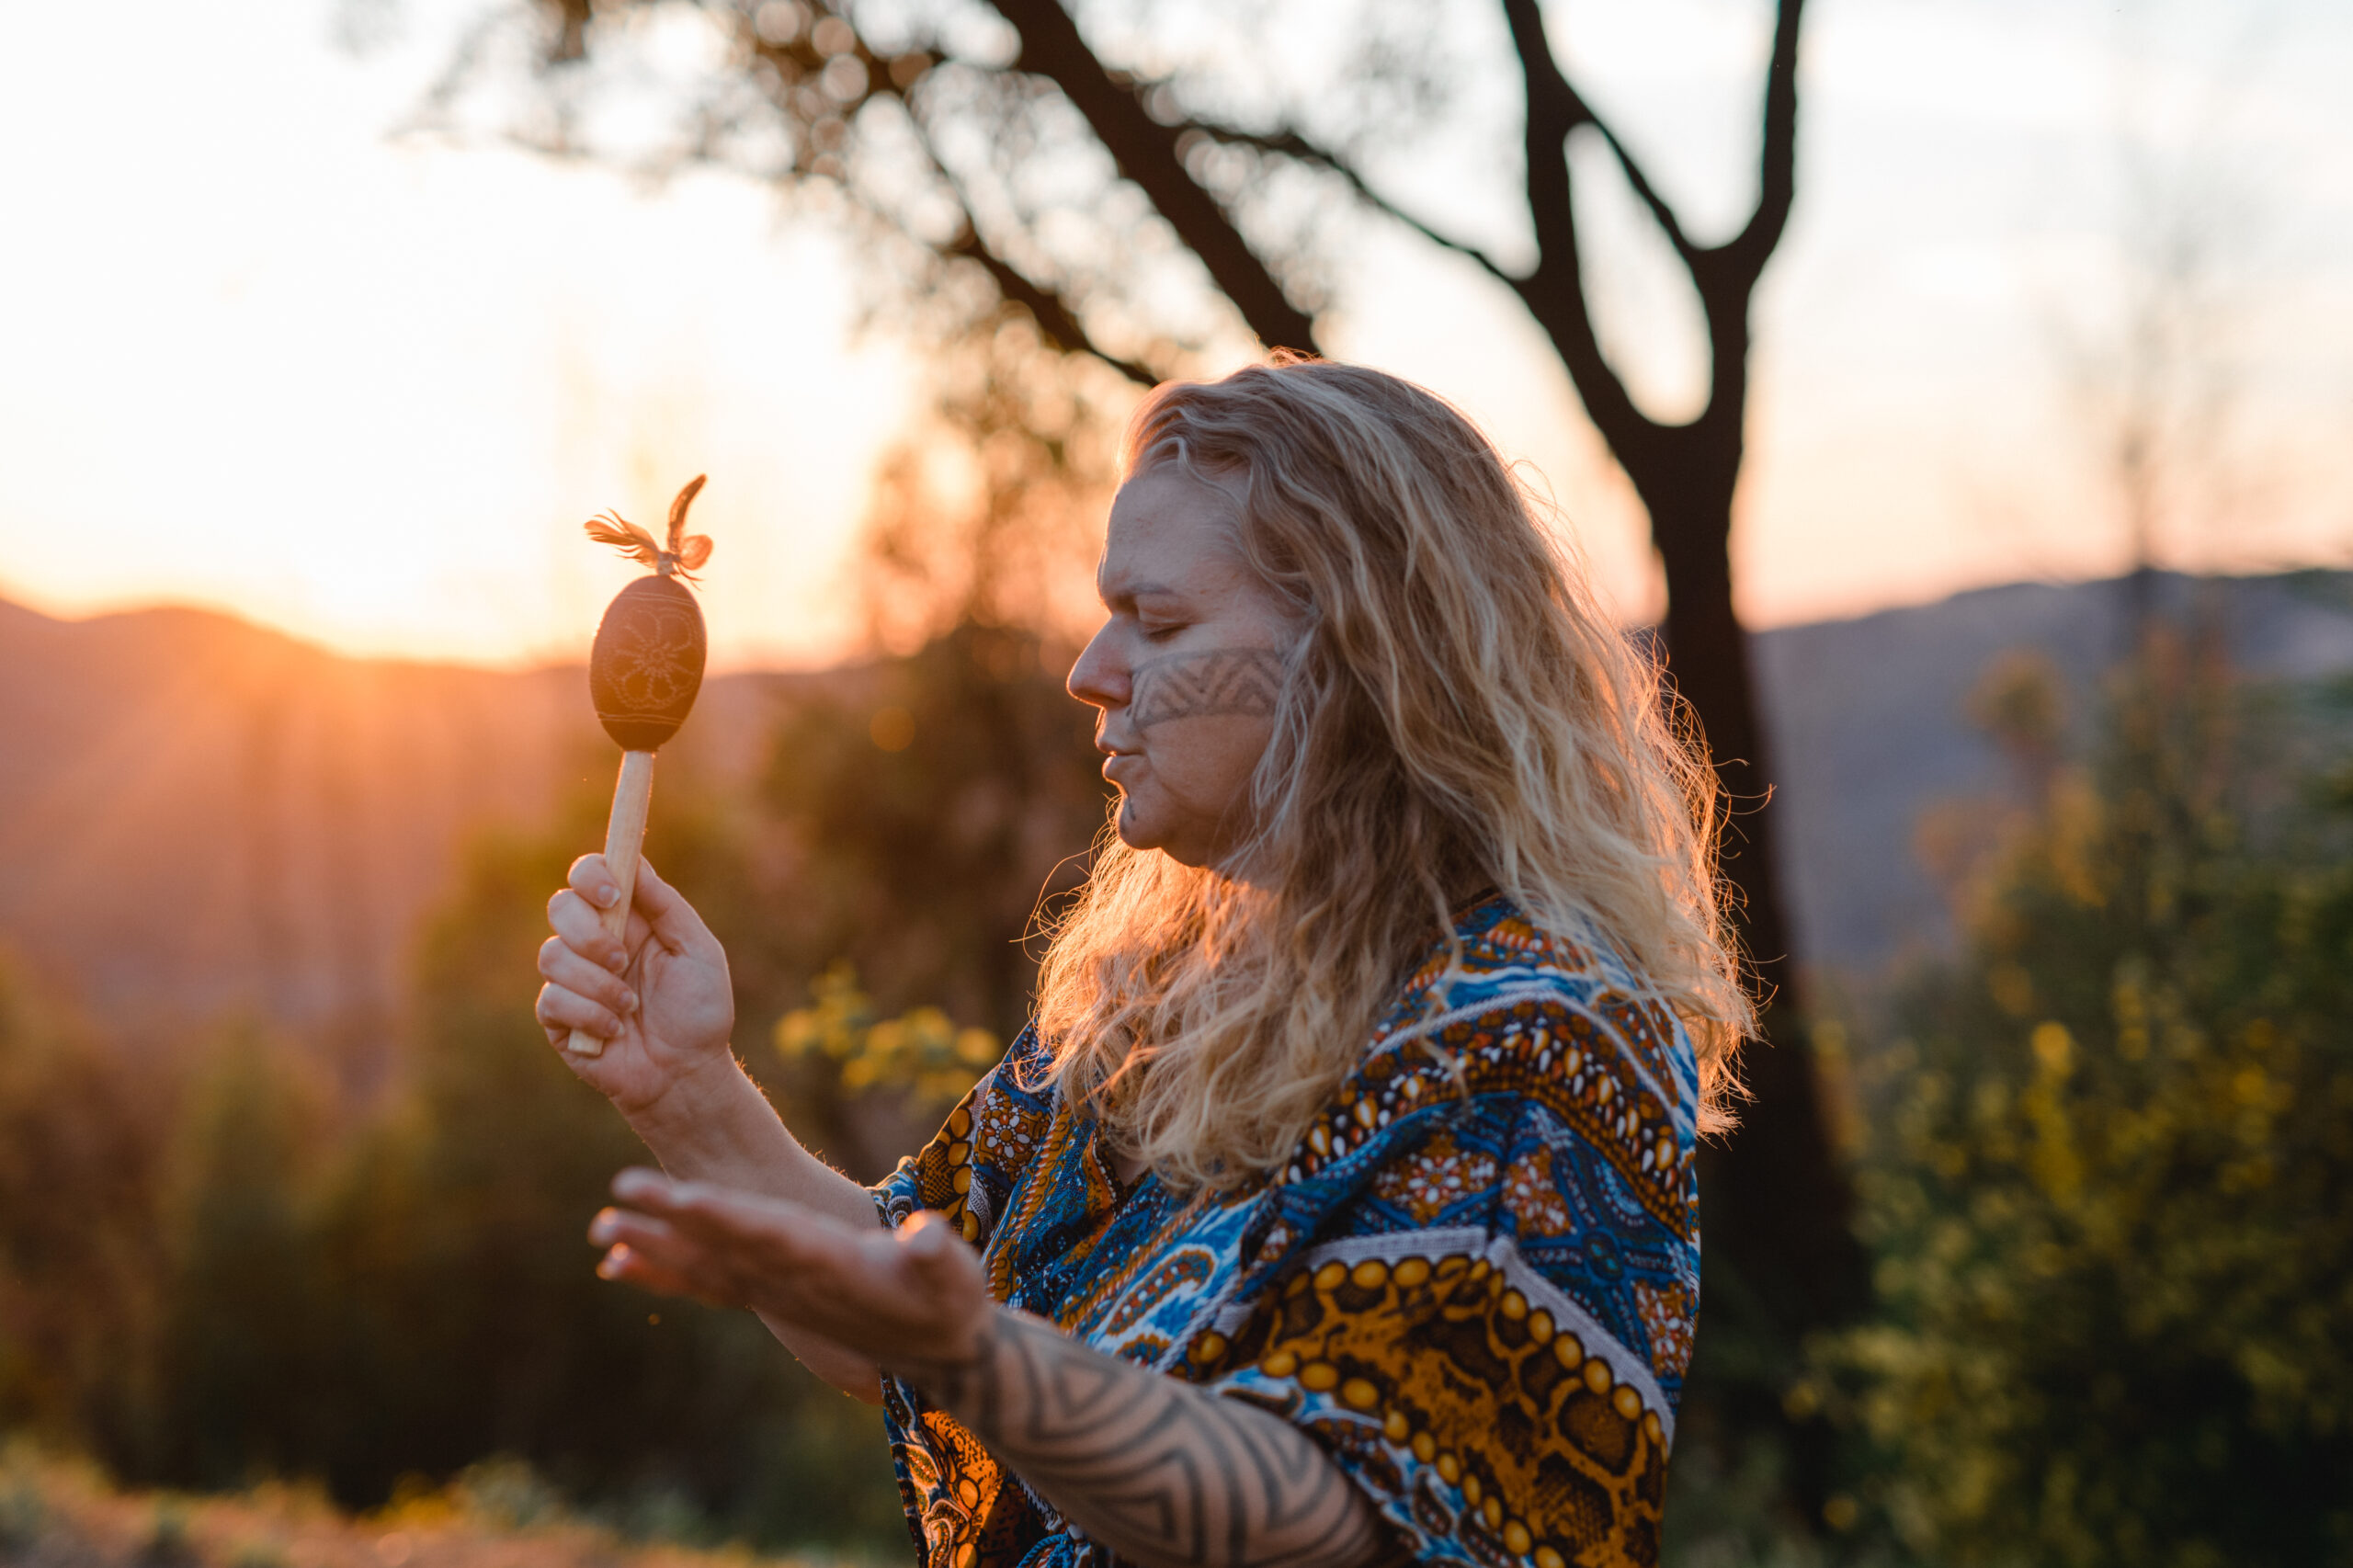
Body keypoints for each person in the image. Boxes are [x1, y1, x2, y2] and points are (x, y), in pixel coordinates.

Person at [535, 356, 1750, 1568]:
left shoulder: (1531, 1031)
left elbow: (1324, 1509)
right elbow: (899, 1302)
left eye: (1158, 621)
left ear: (1361, 652)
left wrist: (986, 1362)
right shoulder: (1161, 996)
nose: (1090, 670)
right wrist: (686, 1088)